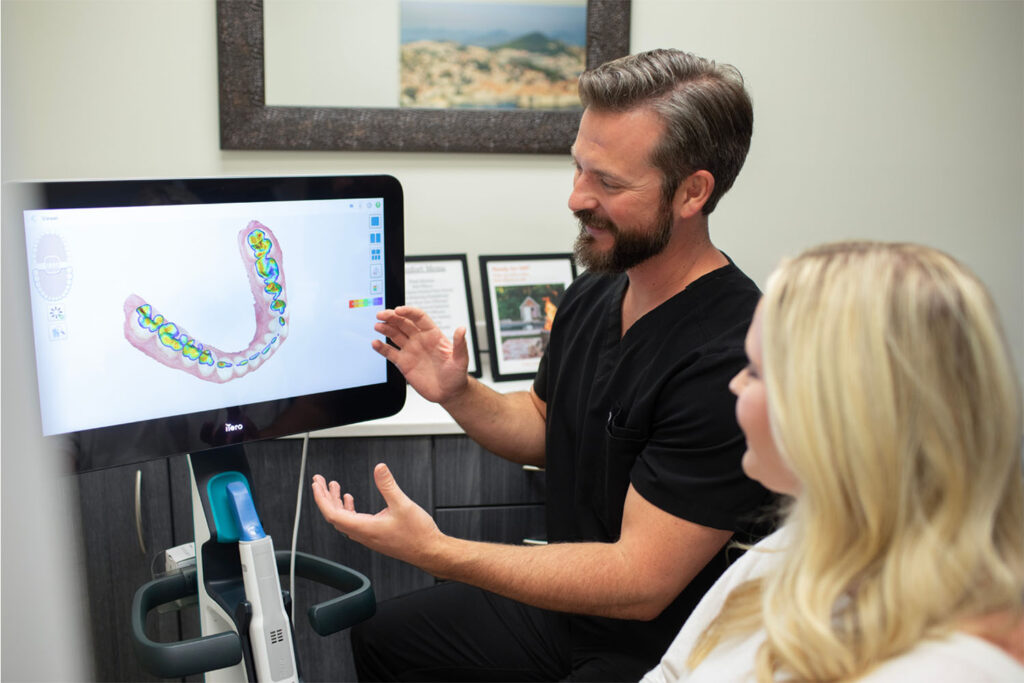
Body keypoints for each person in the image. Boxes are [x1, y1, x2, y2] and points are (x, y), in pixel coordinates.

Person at [312, 48, 773, 681]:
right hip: (570, 612)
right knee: (388, 638)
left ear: (693, 191)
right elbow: (545, 424)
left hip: (659, 642)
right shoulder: (602, 283)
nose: (576, 198)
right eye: (579, 168)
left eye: (608, 183)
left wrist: (443, 553)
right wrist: (458, 392)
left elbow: (641, 583)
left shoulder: (730, 354)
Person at [642, 241, 1024, 682]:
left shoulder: (950, 665)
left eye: (756, 370)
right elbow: (671, 673)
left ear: (838, 410)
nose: (734, 385)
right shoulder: (791, 549)